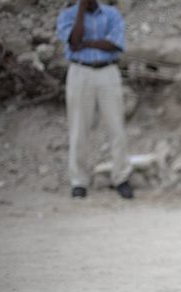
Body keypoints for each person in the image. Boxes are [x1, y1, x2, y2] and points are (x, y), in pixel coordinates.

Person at [57, 0, 133, 199]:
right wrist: (81, 10)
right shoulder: (68, 14)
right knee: (78, 128)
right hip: (80, 71)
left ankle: (121, 177)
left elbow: (113, 43)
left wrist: (87, 44)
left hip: (108, 71)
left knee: (116, 126)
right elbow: (74, 41)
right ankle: (79, 181)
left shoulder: (112, 14)